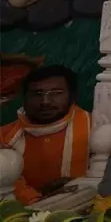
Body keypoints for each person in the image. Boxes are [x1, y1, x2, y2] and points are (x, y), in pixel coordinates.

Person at [0, 65, 91, 205]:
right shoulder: (4, 135)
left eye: (56, 93)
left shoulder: (95, 128)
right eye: (37, 94)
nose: (45, 102)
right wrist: (39, 197)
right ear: (24, 98)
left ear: (72, 97)